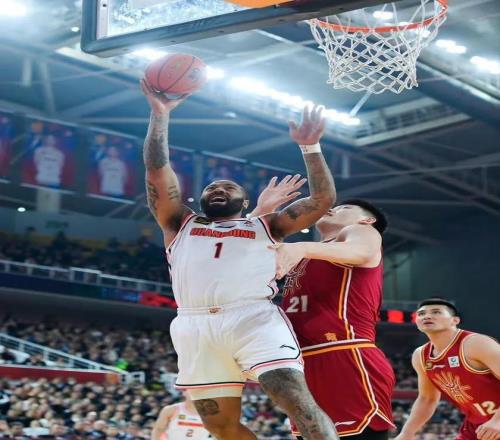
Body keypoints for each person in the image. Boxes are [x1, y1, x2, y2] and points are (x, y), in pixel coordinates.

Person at [140, 77, 338, 440]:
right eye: (212, 187)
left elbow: (321, 201)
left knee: (295, 399)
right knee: (220, 426)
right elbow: (156, 170)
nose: (218, 189)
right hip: (194, 324)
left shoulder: (267, 224)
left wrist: (310, 147)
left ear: (245, 202)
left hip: (252, 317)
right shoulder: (179, 222)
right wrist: (160, 114)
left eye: (228, 187)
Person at [254, 194, 395, 439]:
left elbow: (361, 252)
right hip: (300, 361)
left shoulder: (362, 231)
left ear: (367, 220)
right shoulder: (307, 255)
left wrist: (302, 246)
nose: (332, 209)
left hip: (345, 353)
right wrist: (260, 216)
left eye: (344, 207)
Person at [394, 298, 500, 440]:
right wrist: (407, 433)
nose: (427, 316)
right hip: (477, 424)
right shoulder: (420, 355)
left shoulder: (475, 343)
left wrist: (498, 420)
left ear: (454, 320)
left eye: (436, 312)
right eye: (421, 314)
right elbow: (427, 399)